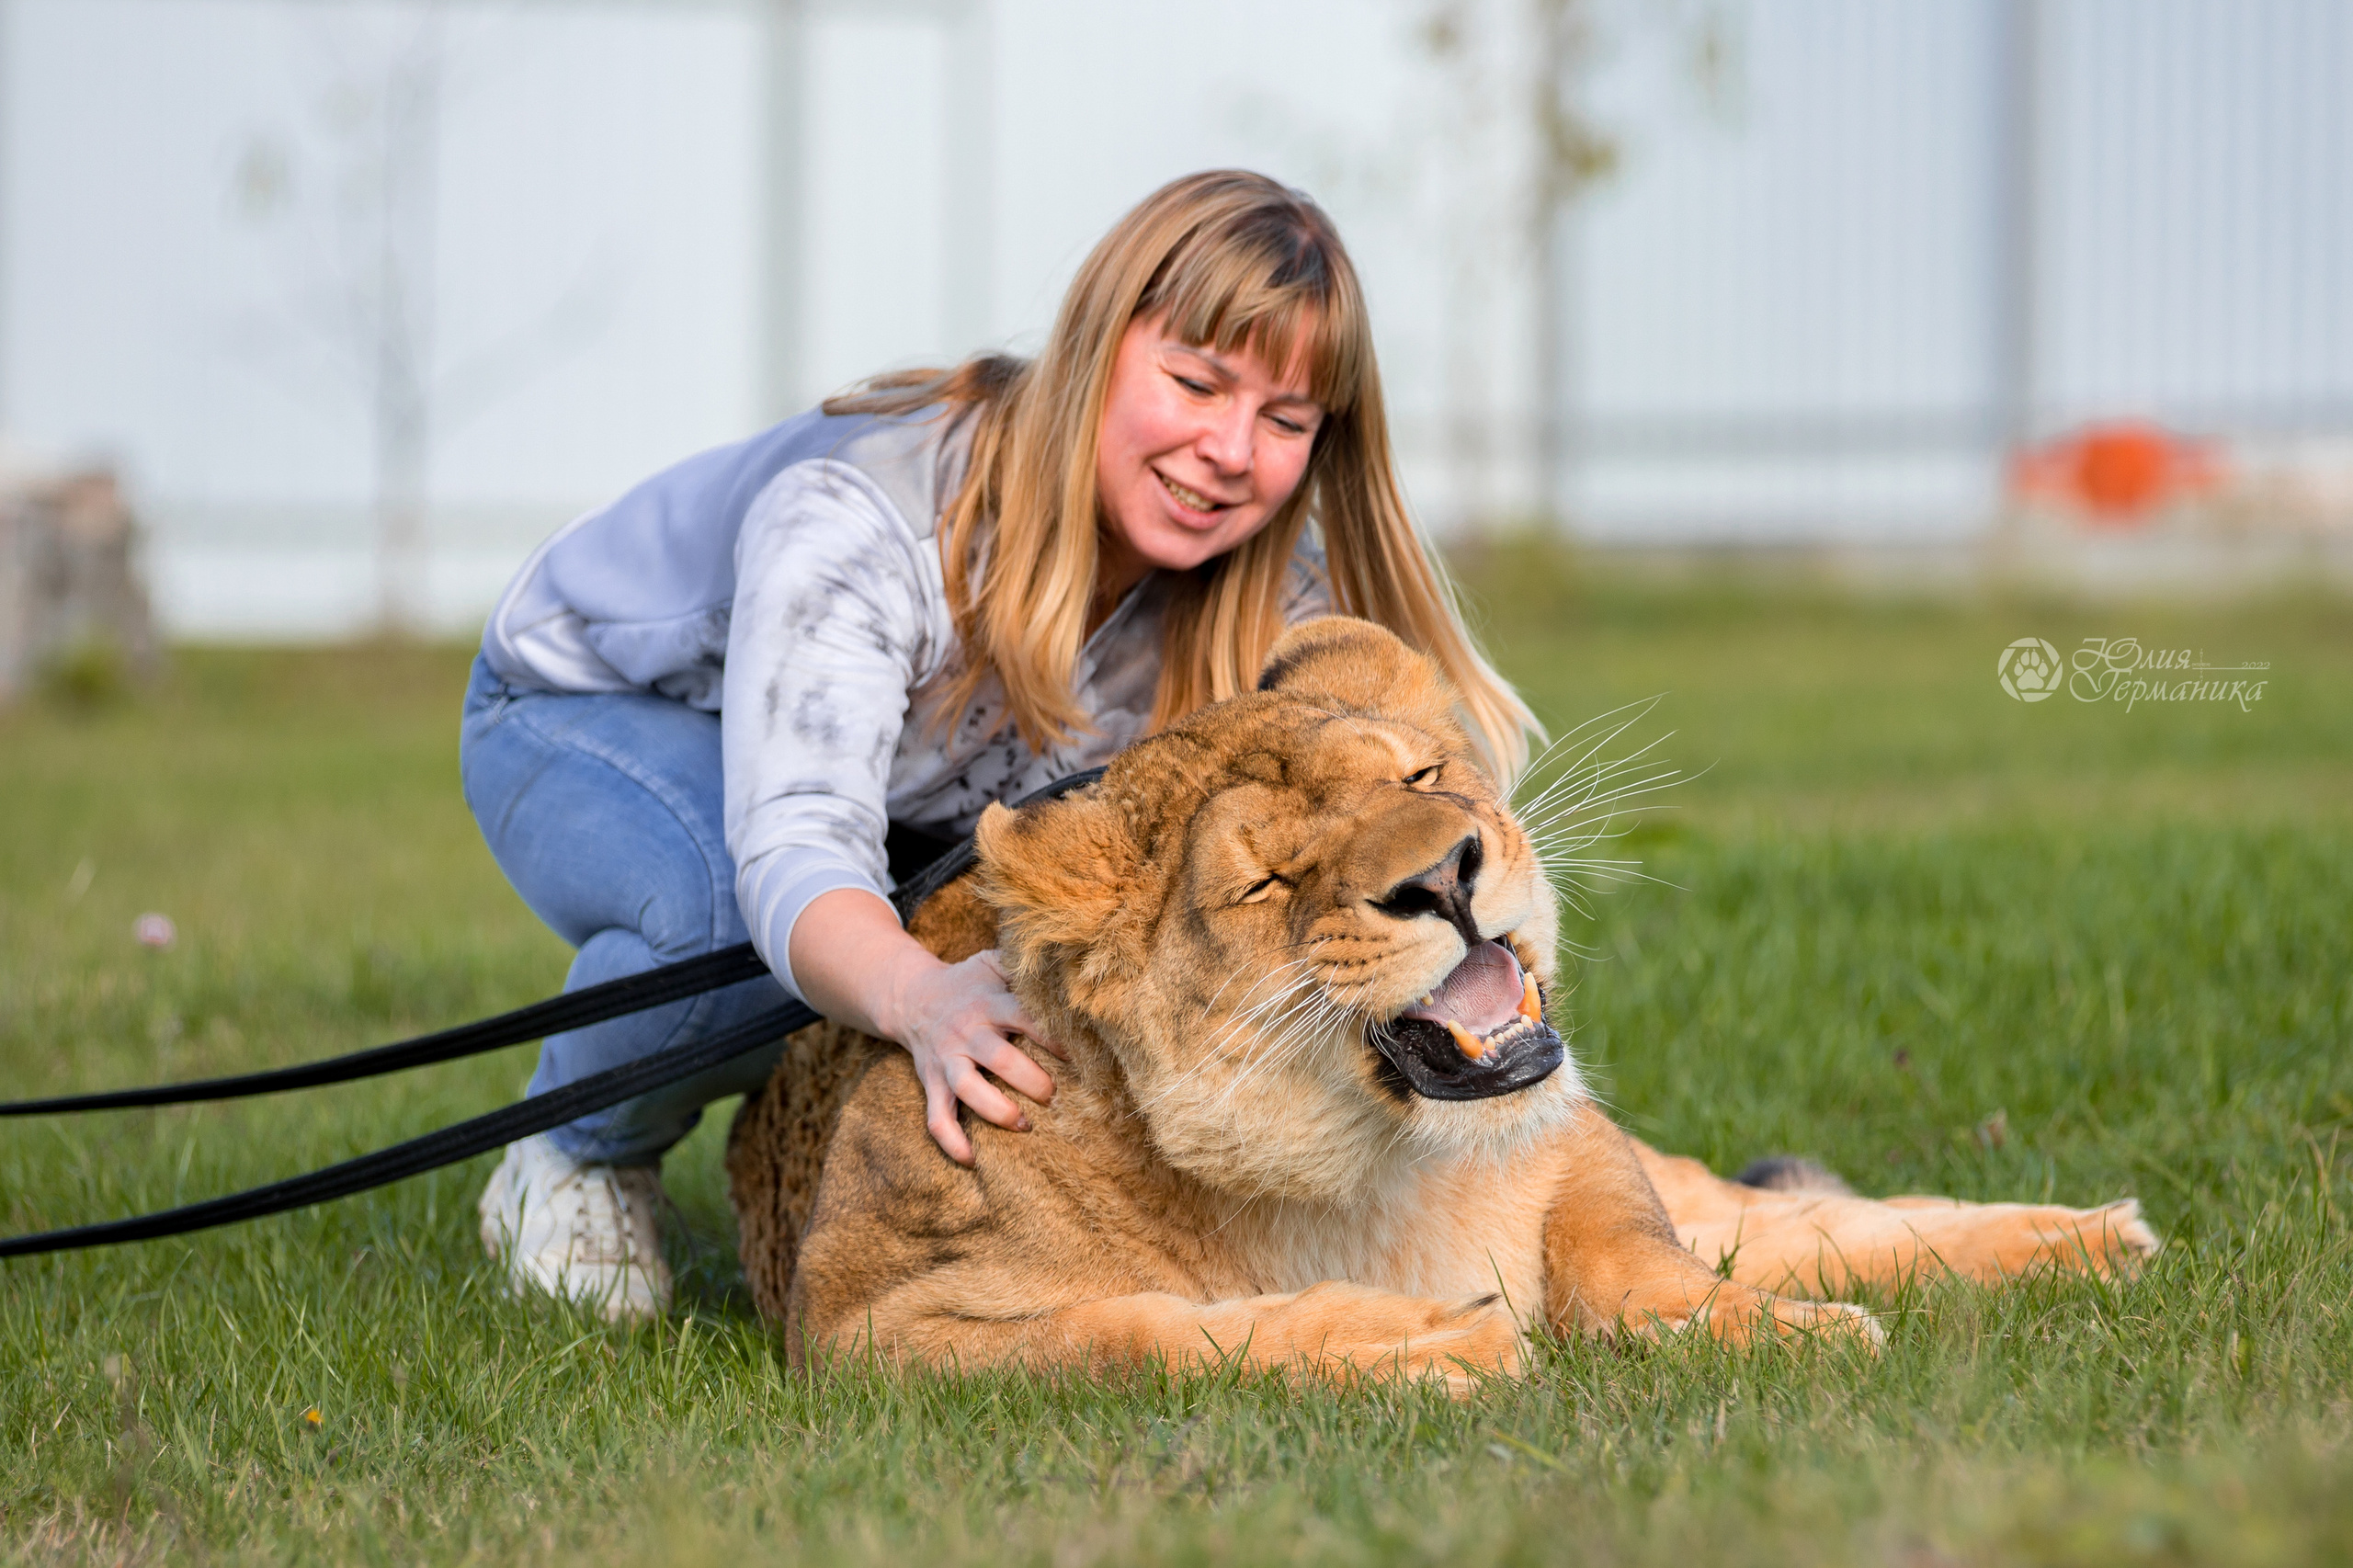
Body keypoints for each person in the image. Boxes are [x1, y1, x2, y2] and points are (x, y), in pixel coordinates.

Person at [460, 170, 1538, 1321]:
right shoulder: (864, 521)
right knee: (736, 918)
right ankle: (574, 1149)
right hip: (588, 709)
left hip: (900, 792)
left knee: (914, 937)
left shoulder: (1262, 582)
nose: (1230, 449)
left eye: (1283, 421)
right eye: (1195, 382)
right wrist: (919, 996)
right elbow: (797, 843)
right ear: (1096, 349)